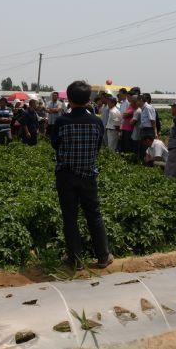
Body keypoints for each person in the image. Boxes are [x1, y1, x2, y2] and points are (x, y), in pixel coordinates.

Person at [51, 80, 112, 270]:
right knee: (94, 215)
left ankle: (75, 259)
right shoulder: (96, 122)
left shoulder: (61, 121)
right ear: (88, 100)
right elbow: (98, 146)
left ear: (69, 99)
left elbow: (55, 144)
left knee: (70, 217)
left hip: (66, 176)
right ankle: (103, 256)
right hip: (88, 175)